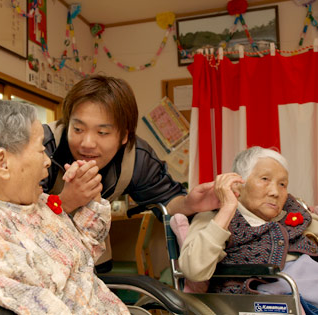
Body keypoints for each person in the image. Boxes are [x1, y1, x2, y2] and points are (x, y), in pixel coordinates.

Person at [0, 100, 130, 314]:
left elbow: (79, 259)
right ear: (2, 163)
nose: (48, 161)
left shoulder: (35, 204)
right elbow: (39, 305)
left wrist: (92, 198)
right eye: (40, 150)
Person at [41, 74, 220, 271]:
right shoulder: (40, 147)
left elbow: (166, 201)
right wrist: (67, 201)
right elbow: (14, 218)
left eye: (102, 133)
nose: (87, 143)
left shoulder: (138, 158)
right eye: (77, 129)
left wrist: (188, 203)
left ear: (124, 135)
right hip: (38, 257)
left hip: (93, 259)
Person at [178, 146, 318, 314]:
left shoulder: (293, 213)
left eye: (282, 184)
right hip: (267, 300)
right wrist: (228, 207)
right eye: (265, 179)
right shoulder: (217, 217)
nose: (275, 192)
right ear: (238, 184)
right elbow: (194, 270)